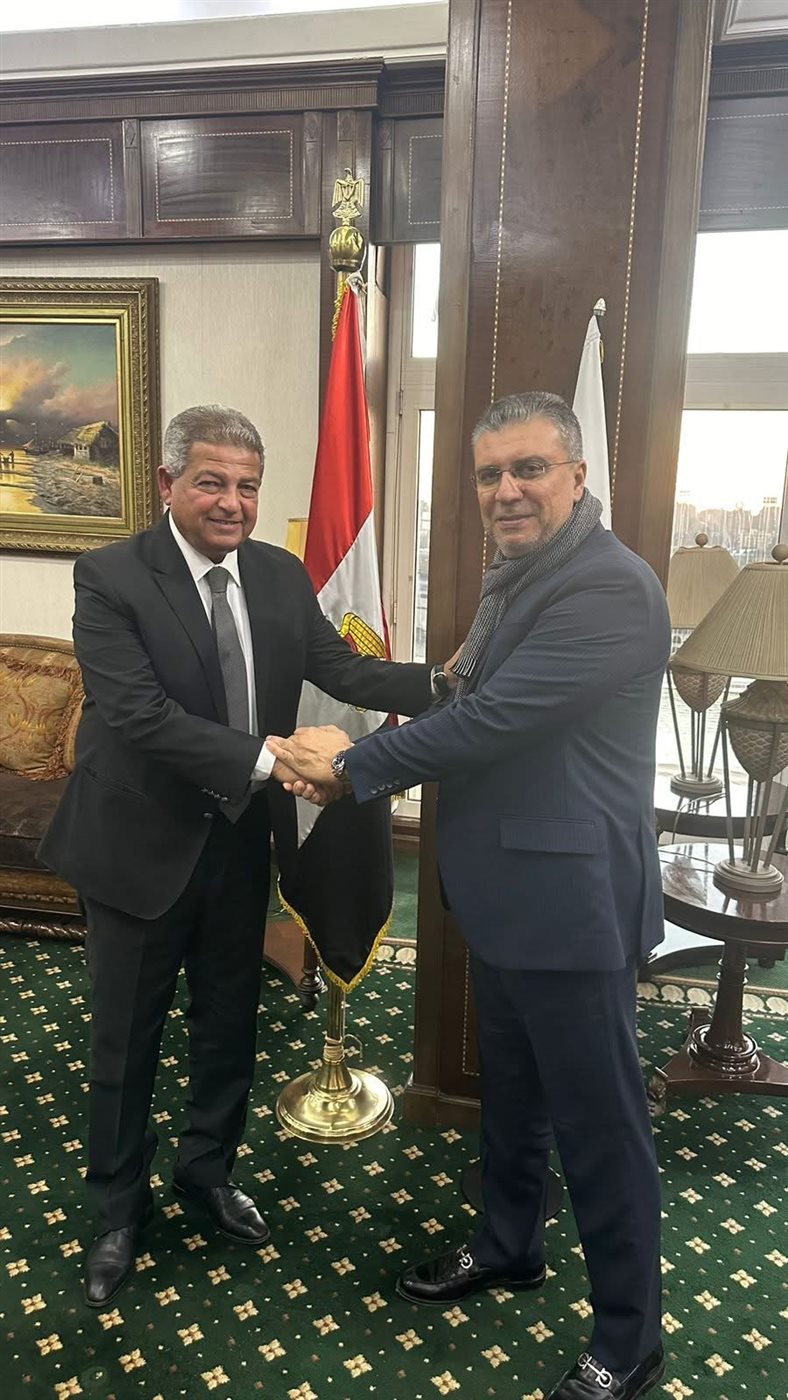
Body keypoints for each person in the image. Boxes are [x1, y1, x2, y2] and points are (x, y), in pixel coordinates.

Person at [268, 391, 671, 1400]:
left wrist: (349, 767)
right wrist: (347, 691)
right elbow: (460, 690)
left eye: (528, 468)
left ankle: (629, 1337)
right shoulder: (518, 578)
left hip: (571, 907)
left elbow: (490, 721)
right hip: (504, 895)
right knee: (513, 1099)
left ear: (577, 476)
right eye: (490, 474)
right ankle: (507, 1245)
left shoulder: (606, 587)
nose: (506, 490)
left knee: (600, 1126)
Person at [39, 404, 440, 1310]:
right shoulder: (110, 576)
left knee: (229, 1023)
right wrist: (276, 759)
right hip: (138, 850)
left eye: (248, 486)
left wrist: (453, 683)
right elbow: (138, 715)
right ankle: (117, 1209)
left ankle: (207, 1173)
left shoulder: (278, 574)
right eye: (212, 482)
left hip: (237, 846)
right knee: (126, 1039)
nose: (232, 503)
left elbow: (346, 671)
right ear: (169, 482)